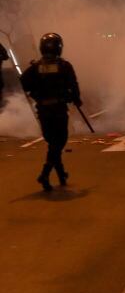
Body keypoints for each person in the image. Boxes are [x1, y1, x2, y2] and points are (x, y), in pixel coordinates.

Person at [19, 33, 81, 192]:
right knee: (59, 141)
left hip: (43, 111)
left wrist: (35, 94)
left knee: (53, 142)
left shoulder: (35, 67)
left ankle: (61, 174)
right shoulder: (64, 66)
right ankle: (45, 173)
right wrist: (75, 99)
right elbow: (74, 85)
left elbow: (23, 84)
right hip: (58, 110)